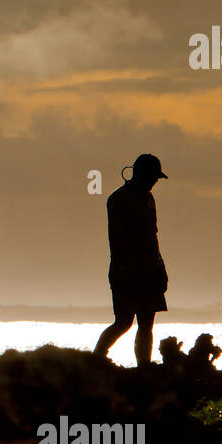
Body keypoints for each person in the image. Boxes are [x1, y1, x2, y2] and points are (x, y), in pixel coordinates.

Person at [94, 153, 169, 366]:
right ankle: (97, 357)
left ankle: (143, 365)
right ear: (142, 175)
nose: (155, 181)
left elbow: (152, 237)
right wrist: (124, 272)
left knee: (146, 324)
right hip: (125, 271)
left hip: (151, 270)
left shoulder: (148, 199)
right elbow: (117, 239)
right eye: (153, 177)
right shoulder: (118, 199)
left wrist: (160, 268)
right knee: (124, 322)